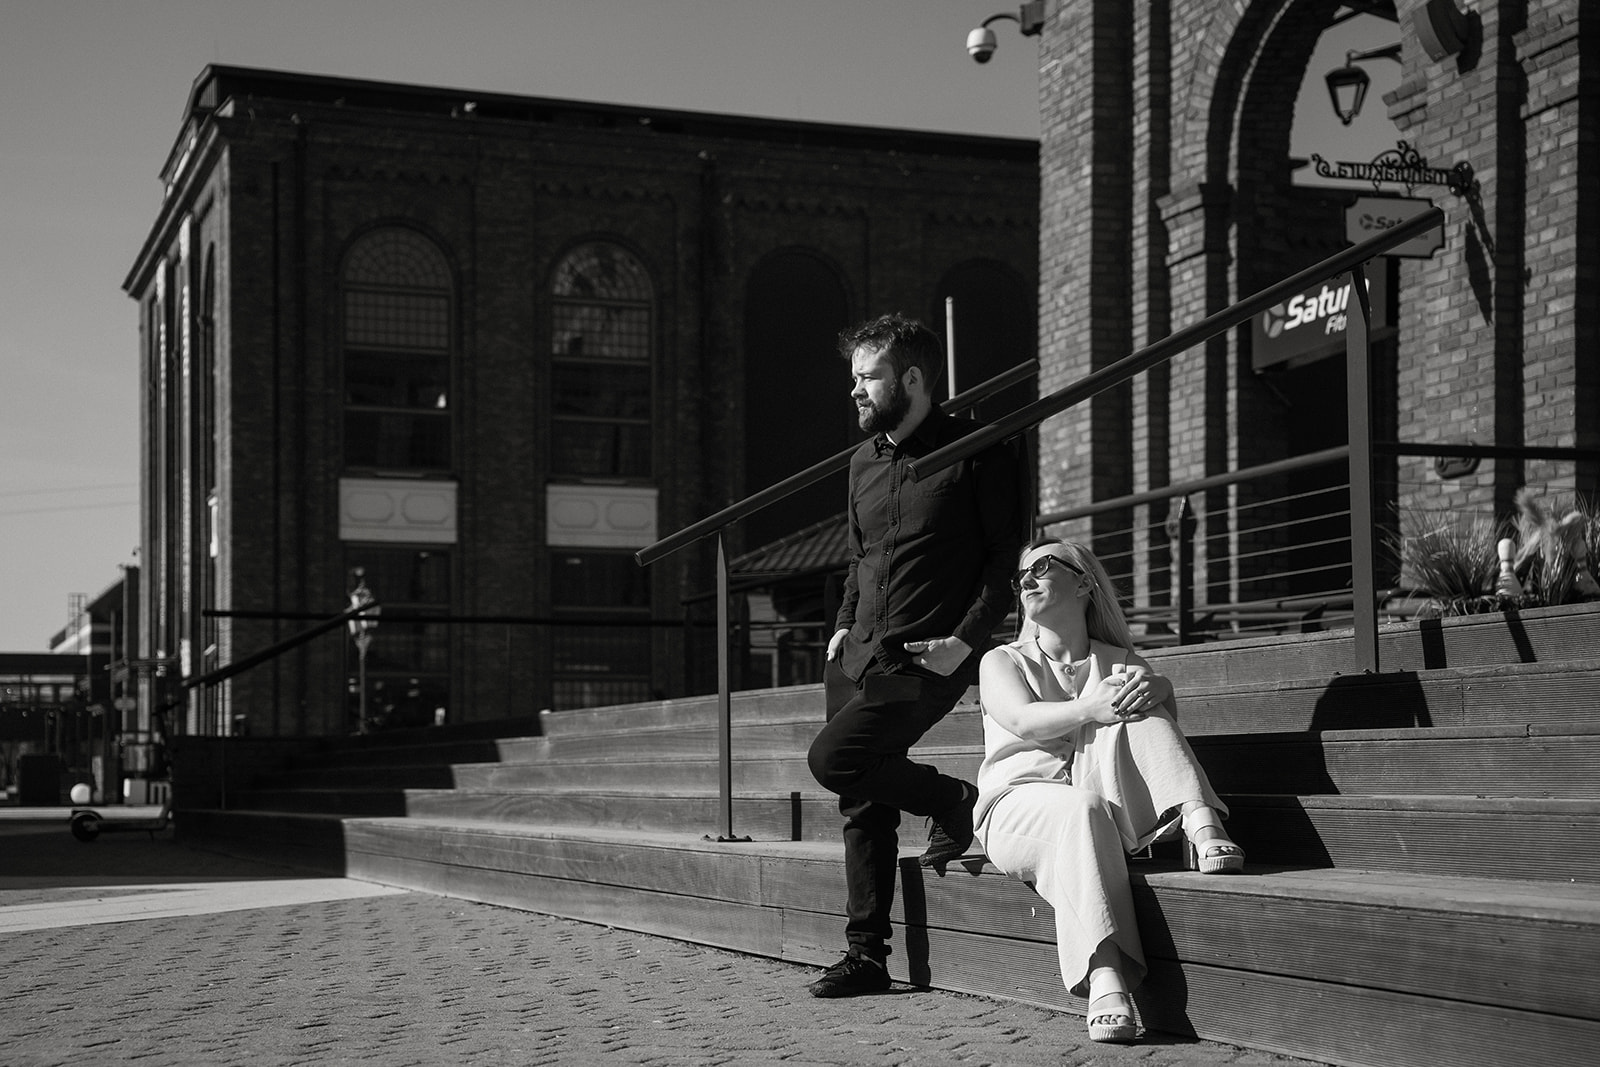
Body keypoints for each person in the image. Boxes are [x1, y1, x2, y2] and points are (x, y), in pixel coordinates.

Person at [805, 313, 1025, 998]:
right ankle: (867, 955)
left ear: (911, 379)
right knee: (861, 799)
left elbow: (1004, 559)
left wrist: (965, 640)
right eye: (853, 378)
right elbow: (859, 557)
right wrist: (843, 623)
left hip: (927, 656)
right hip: (857, 653)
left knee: (833, 760)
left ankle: (957, 800)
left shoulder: (982, 448)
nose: (854, 391)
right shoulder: (862, 463)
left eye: (867, 377)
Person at [975, 537, 1244, 1043]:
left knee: (1136, 697)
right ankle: (1105, 975)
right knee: (1082, 805)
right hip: (1016, 806)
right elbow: (1022, 720)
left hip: (1104, 803)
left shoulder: (1118, 659)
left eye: (1042, 566)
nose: (1026, 579)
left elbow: (1150, 731)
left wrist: (1160, 688)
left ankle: (1201, 822)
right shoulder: (1002, 660)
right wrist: (1091, 707)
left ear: (1084, 583)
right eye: (1020, 575)